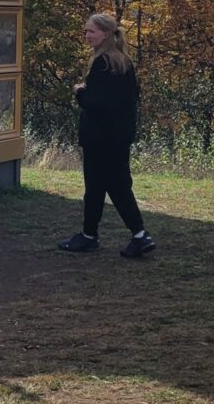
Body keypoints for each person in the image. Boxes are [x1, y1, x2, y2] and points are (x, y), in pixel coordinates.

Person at [58, 13, 155, 258]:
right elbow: (126, 100)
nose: (87, 35)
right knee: (112, 185)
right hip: (119, 136)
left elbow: (95, 103)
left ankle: (130, 235)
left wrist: (80, 91)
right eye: (86, 31)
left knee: (102, 187)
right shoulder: (124, 62)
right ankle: (99, 234)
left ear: (106, 34)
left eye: (91, 31)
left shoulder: (102, 64)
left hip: (99, 138)